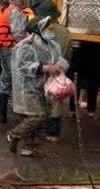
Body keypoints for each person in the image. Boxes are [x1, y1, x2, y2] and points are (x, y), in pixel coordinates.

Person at [9, 17, 68, 156]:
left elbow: (61, 60)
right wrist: (44, 68)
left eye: (53, 29)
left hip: (45, 87)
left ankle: (29, 147)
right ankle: (14, 134)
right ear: (39, 30)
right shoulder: (25, 46)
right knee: (37, 116)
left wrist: (59, 66)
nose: (51, 32)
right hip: (27, 87)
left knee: (44, 117)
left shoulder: (53, 46)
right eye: (49, 29)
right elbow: (20, 66)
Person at [0, 0, 35, 124]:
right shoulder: (12, 13)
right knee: (16, 79)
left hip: (11, 49)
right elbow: (16, 34)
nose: (23, 0)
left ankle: (4, 115)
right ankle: (15, 113)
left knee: (8, 80)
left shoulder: (16, 12)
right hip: (12, 50)